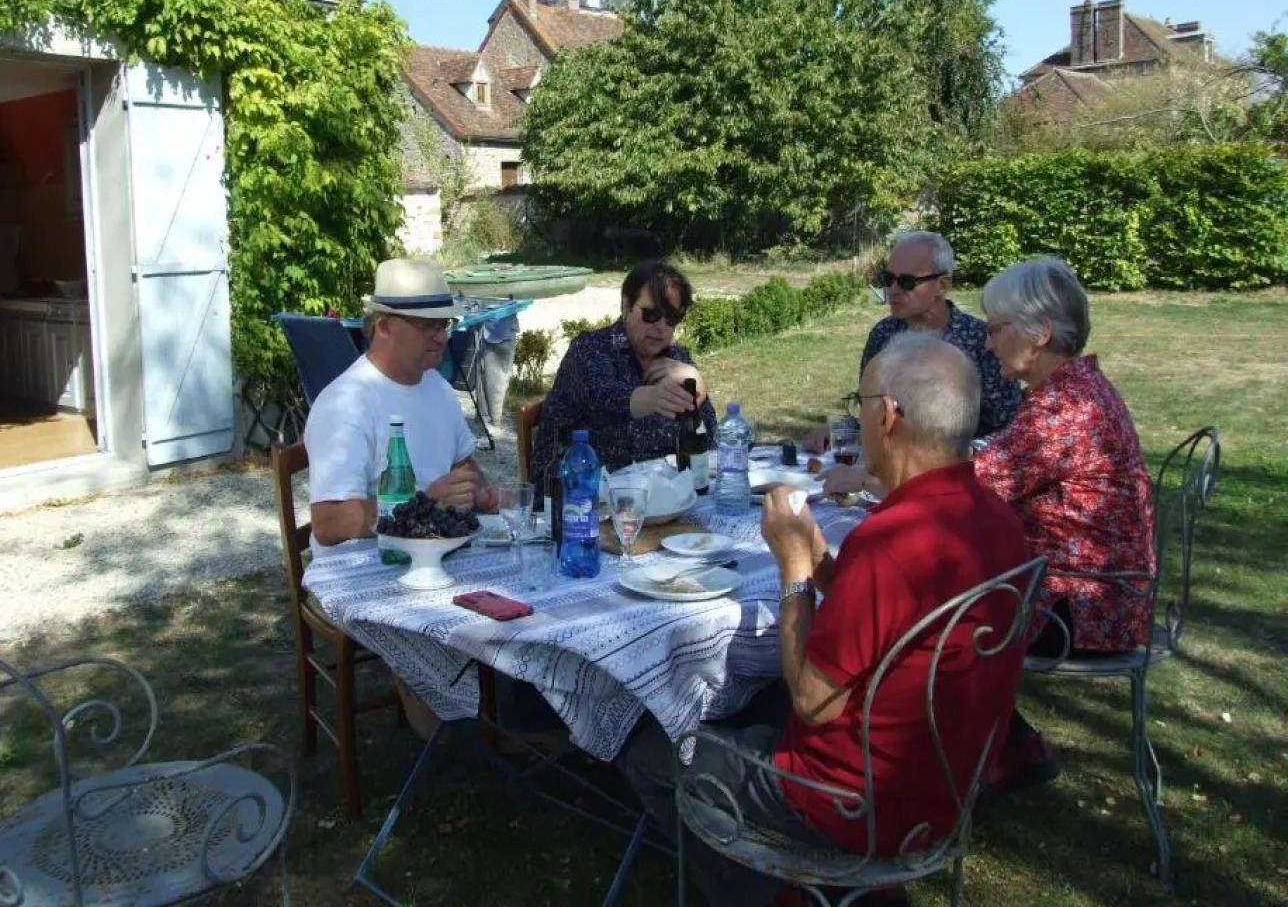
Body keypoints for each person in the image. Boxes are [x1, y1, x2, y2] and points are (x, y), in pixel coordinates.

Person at [617, 333, 1031, 907]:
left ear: (887, 416)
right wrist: (819, 555)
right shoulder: (995, 521)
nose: (856, 420)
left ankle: (781, 897)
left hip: (847, 804)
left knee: (649, 753)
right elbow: (897, 619)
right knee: (753, 699)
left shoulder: (891, 543)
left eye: (857, 406)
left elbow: (814, 701)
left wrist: (793, 569)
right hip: (942, 787)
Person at [973, 256, 1156, 789]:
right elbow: (1006, 461)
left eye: (996, 329)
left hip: (1083, 609)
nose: (988, 343)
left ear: (1040, 334)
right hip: (1107, 591)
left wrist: (880, 471)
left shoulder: (1063, 409)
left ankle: (982, 752)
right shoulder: (1075, 390)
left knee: (930, 607)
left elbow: (966, 489)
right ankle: (1008, 742)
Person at [305, 258, 496, 550]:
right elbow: (329, 522)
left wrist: (479, 491)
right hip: (368, 569)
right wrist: (427, 503)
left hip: (434, 551)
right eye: (427, 326)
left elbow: (463, 465)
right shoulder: (346, 403)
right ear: (384, 327)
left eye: (445, 325)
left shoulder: (437, 386)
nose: (442, 338)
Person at [816, 231, 1021, 445]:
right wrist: (838, 431)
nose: (892, 290)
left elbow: (1010, 429)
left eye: (906, 281)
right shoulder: (882, 334)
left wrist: (958, 457)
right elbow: (873, 410)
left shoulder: (982, 340)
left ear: (942, 285)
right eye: (888, 279)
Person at [528, 259, 717, 483]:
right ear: (626, 306)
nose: (661, 327)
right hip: (576, 494)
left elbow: (707, 436)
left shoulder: (677, 360)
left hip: (659, 492)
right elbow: (606, 397)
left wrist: (699, 389)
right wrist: (654, 398)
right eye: (652, 314)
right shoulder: (589, 350)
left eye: (672, 318)